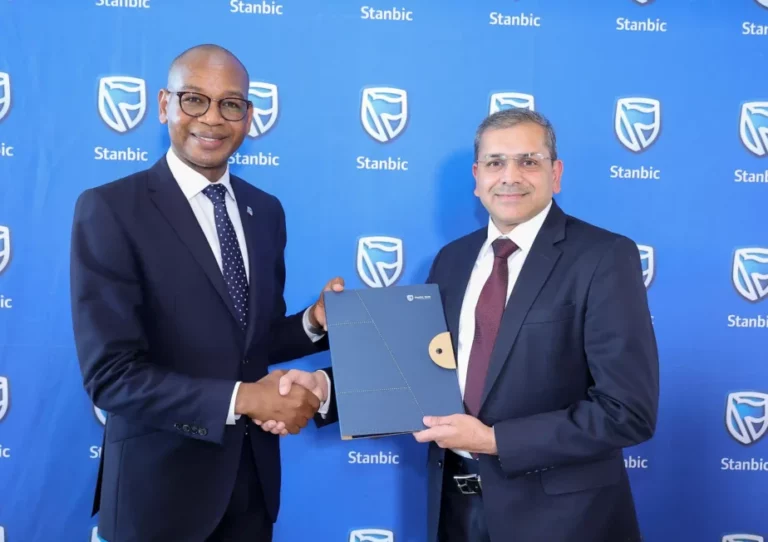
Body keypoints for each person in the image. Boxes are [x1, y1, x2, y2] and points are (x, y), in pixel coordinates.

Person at [70, 44, 341, 542]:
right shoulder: (111, 209)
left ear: (249, 115)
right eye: (194, 99)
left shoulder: (266, 212)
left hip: (250, 490)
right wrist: (244, 399)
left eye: (230, 104)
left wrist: (313, 324)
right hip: (157, 496)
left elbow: (248, 342)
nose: (212, 119)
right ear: (163, 104)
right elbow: (110, 376)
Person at [411, 108, 659, 541]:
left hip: (562, 521)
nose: (511, 176)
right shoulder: (451, 260)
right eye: (495, 162)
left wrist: (496, 440)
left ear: (555, 173)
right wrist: (324, 390)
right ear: (476, 176)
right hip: (454, 510)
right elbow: (417, 372)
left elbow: (627, 412)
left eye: (529, 161)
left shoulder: (604, 257)